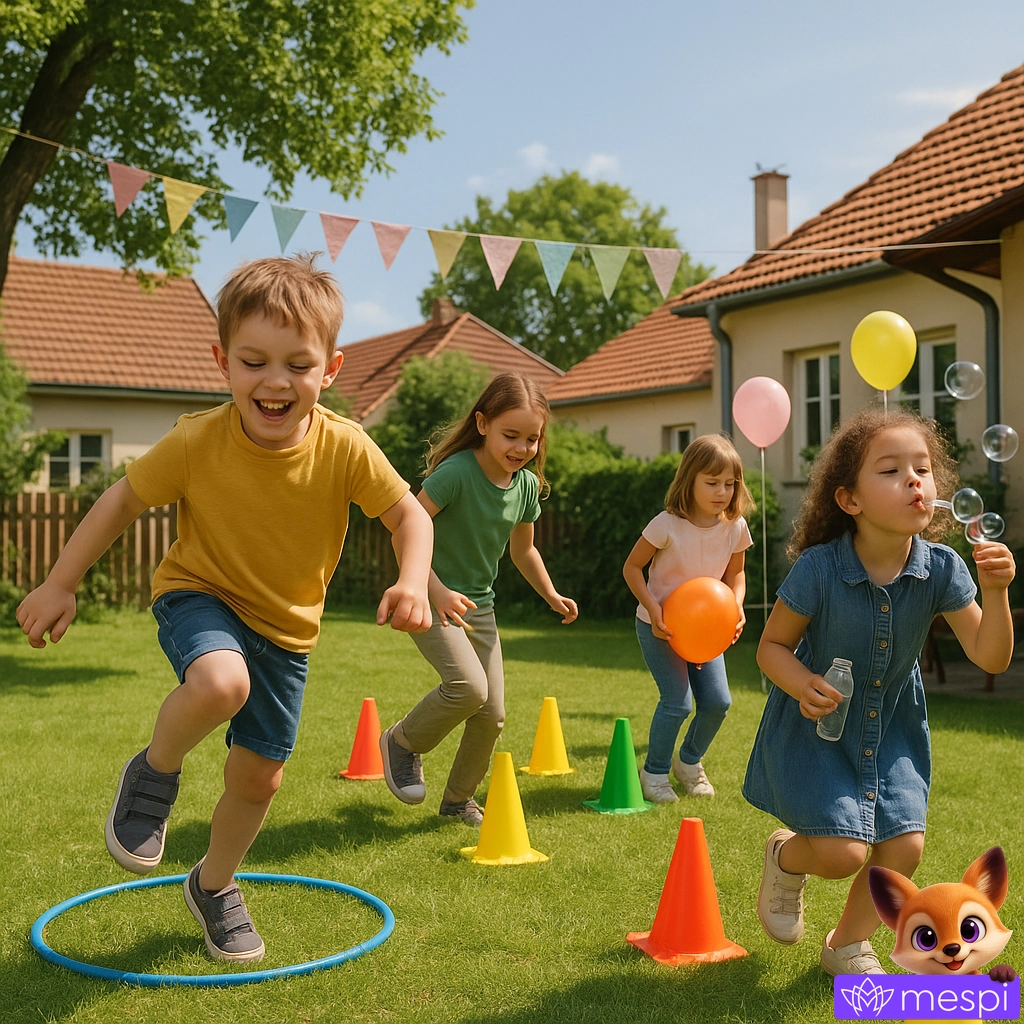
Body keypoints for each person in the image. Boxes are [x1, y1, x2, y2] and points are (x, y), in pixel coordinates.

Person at [15, 254, 433, 963]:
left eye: (298, 365)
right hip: (200, 595)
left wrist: (414, 580)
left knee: (259, 778)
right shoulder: (196, 440)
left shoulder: (345, 447)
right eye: (254, 361)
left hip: (288, 634)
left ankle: (213, 886)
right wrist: (60, 582)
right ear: (222, 363)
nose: (275, 381)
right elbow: (121, 500)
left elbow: (409, 516)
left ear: (331, 370)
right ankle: (155, 772)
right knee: (220, 682)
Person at [747, 406, 1015, 976]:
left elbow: (990, 656)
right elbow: (771, 647)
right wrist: (803, 683)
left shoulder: (942, 568)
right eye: (891, 471)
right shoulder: (819, 569)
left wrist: (995, 592)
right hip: (821, 725)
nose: (913, 480)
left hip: (893, 725)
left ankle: (845, 945)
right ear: (850, 500)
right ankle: (786, 856)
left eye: (922, 469)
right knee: (840, 854)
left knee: (904, 847)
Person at [379, 372, 578, 824]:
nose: (521, 448)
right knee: (468, 688)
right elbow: (404, 531)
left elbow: (524, 550)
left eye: (532, 439)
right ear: (483, 424)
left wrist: (551, 594)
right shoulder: (456, 473)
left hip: (479, 608)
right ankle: (402, 741)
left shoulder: (525, 486)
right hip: (429, 598)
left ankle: (457, 802)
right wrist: (435, 590)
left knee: (492, 715)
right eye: (511, 435)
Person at [622, 434, 753, 803]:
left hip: (706, 632)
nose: (722, 492)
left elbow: (737, 575)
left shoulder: (735, 527)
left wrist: (737, 606)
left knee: (717, 703)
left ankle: (689, 762)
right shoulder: (666, 524)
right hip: (660, 628)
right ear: (689, 479)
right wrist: (653, 608)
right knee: (677, 703)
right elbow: (632, 568)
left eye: (730, 483)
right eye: (712, 483)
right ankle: (654, 773)